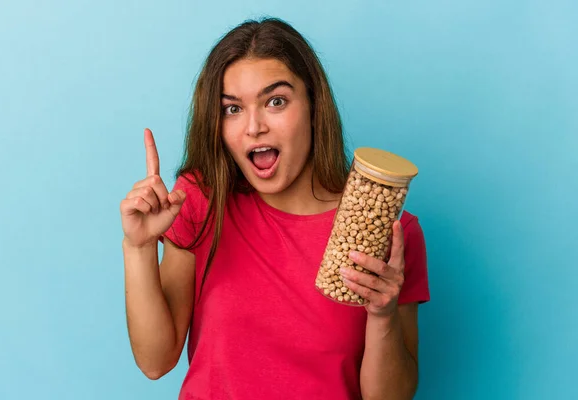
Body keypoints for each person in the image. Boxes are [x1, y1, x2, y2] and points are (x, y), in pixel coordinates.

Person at [120, 17, 430, 400]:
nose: (253, 127)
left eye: (276, 102)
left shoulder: (386, 230)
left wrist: (382, 317)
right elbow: (155, 362)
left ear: (314, 105)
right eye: (232, 109)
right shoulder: (201, 200)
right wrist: (138, 248)